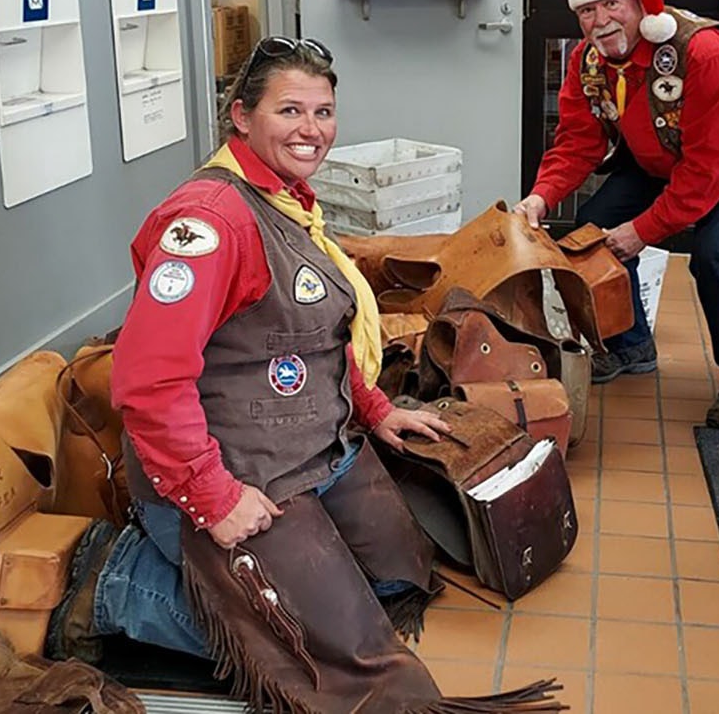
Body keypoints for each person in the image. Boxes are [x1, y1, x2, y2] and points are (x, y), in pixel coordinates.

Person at [46, 37, 562, 714]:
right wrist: (213, 496)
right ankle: (112, 584)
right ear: (241, 116)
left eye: (323, 112)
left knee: (398, 574)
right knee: (341, 658)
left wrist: (375, 409)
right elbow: (147, 380)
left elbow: (317, 330)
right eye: (290, 110)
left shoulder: (287, 202)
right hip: (237, 465)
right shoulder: (210, 222)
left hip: (314, 441)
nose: (311, 130)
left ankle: (276, 577)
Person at [515, 0, 719, 429]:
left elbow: (704, 174)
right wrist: (540, 196)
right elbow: (577, 141)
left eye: (612, 3)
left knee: (717, 255)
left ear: (641, 3)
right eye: (587, 9)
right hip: (657, 158)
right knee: (592, 230)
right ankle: (631, 344)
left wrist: (640, 232)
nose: (600, 21)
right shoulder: (588, 61)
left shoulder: (705, 52)